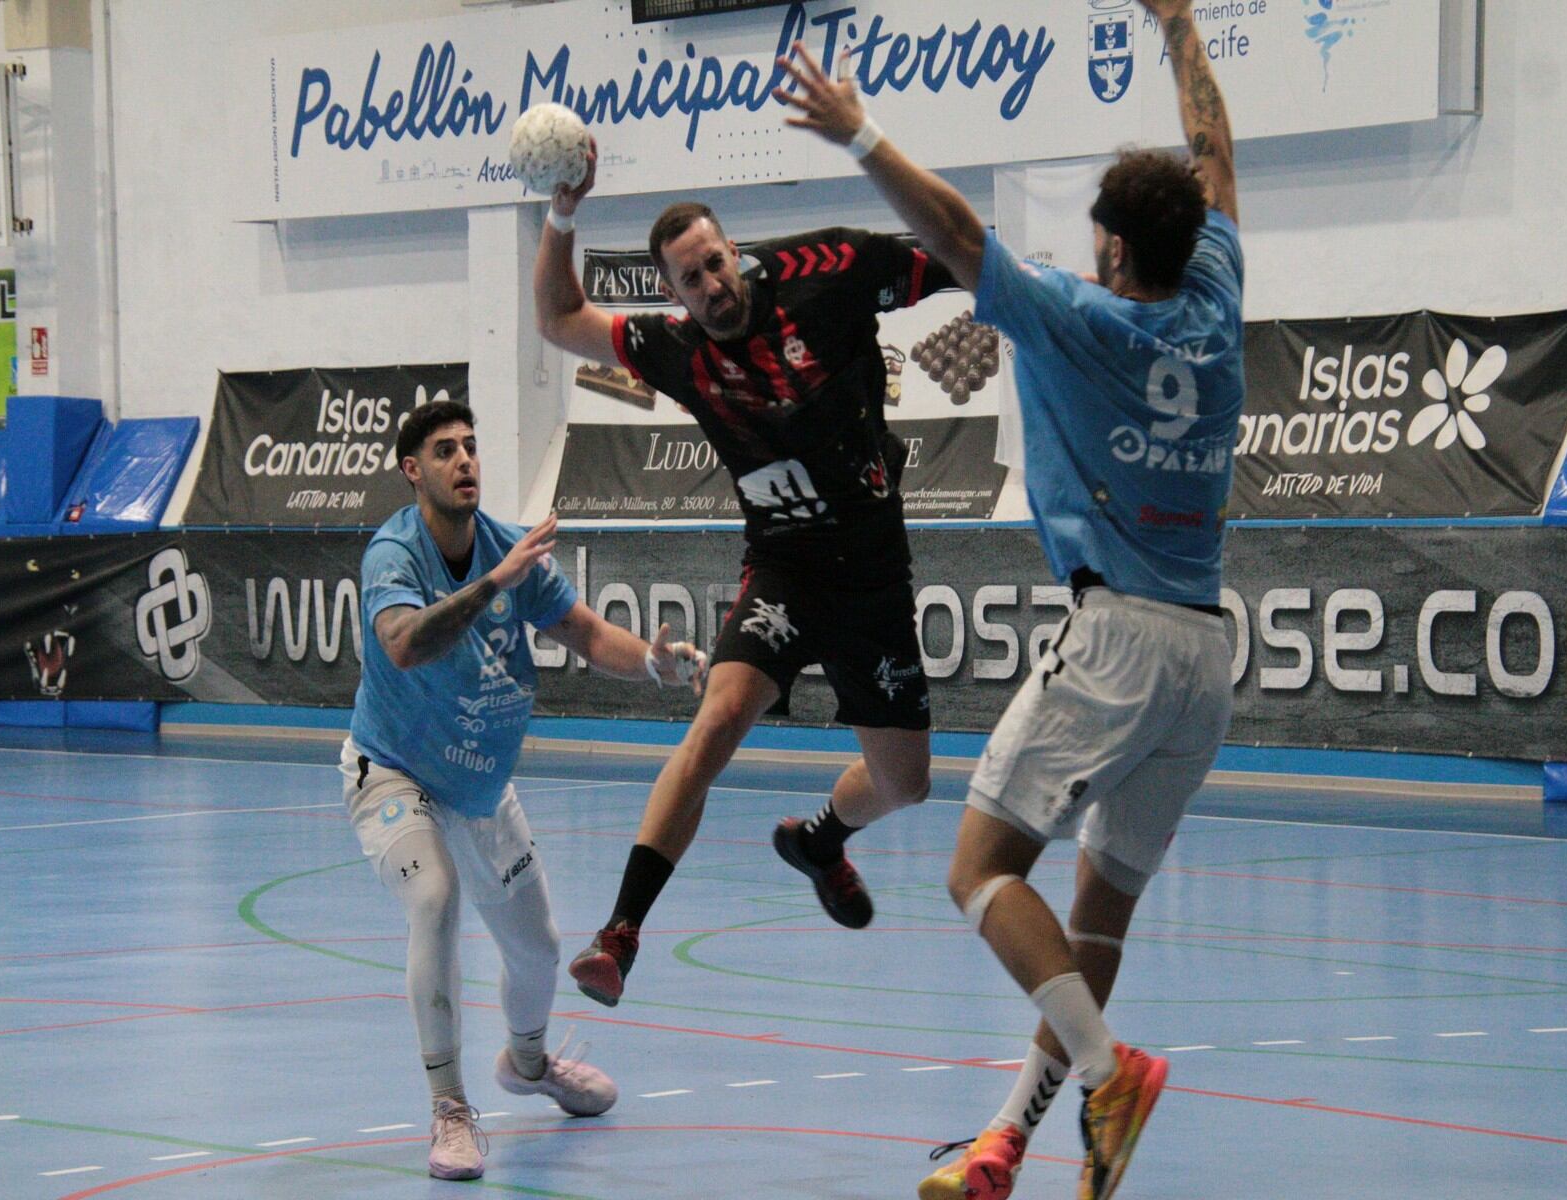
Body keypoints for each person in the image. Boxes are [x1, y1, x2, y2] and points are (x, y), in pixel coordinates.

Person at [778, 1, 1243, 1197]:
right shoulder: (1217, 287)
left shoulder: (1088, 318)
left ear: (1117, 256)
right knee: (1097, 920)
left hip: (1120, 638)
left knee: (980, 870)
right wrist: (1180, 23)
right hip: (1204, 656)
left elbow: (954, 229)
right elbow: (1216, 156)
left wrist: (859, 133)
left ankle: (1104, 1078)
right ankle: (1010, 1144)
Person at [532, 135, 958, 1008]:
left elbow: (961, 255)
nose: (710, 286)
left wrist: (1053, 300)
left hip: (873, 580)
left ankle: (821, 839)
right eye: (690, 279)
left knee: (905, 784)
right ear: (671, 292)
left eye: (716, 264)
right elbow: (554, 317)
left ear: (735, 254)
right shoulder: (678, 352)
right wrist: (561, 212)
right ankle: (620, 934)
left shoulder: (828, 273)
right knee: (718, 719)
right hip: (785, 571)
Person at [341, 399, 707, 1180]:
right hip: (394, 770)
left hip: (480, 785)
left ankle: (530, 1064)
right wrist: (492, 583)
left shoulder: (509, 547)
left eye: (471, 447)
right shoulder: (393, 554)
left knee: (538, 953)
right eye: (445, 451)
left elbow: (584, 631)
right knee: (433, 901)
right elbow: (404, 645)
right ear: (413, 471)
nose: (465, 461)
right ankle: (449, 1107)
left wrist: (654, 662)